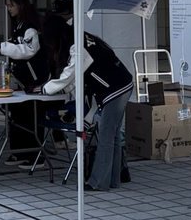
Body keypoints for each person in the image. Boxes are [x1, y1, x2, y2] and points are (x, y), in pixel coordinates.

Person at [38, 15, 134, 191]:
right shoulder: (83, 38)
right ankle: (112, 180)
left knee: (106, 137)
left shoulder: (78, 47)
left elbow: (70, 74)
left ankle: (98, 183)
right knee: (111, 136)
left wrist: (46, 88)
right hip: (121, 85)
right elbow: (77, 77)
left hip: (114, 90)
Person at [0, 0, 52, 170]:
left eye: (11, 5)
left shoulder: (30, 26)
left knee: (31, 117)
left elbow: (29, 50)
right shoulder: (19, 24)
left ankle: (35, 156)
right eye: (7, 6)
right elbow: (16, 45)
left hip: (34, 80)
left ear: (20, 4)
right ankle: (19, 153)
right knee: (17, 116)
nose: (8, 9)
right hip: (22, 81)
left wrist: (2, 47)